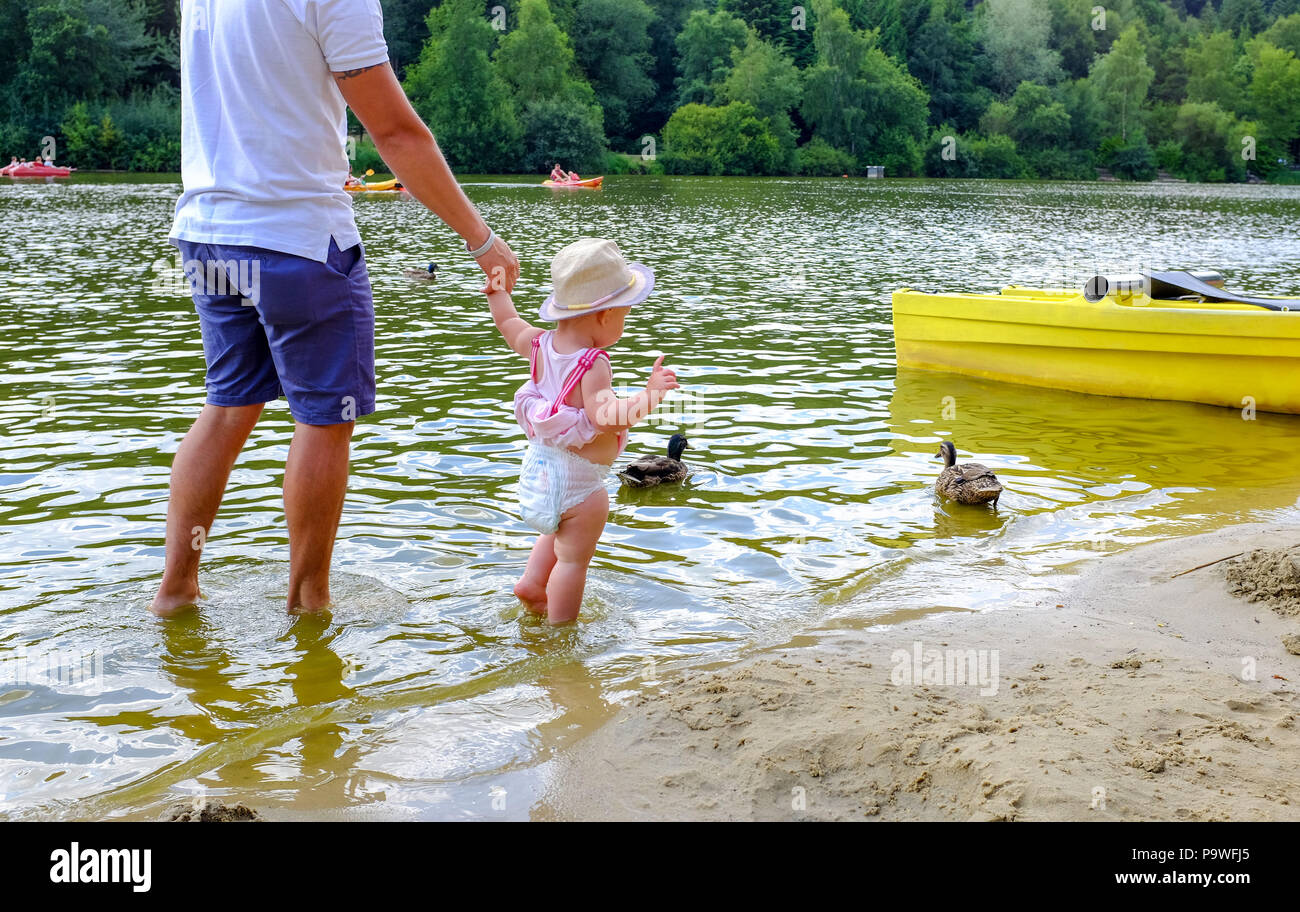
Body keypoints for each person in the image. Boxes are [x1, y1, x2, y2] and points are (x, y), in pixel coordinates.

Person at [153, 0, 518, 617]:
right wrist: (481, 238)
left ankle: (176, 591)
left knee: (226, 408)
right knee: (325, 419)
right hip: (299, 240)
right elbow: (395, 132)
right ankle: (310, 601)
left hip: (207, 230)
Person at [486, 238, 678, 624]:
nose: (624, 321)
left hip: (541, 469)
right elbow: (607, 418)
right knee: (573, 562)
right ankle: (562, 632)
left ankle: (532, 583)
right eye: (624, 313)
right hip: (582, 482)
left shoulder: (539, 344)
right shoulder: (593, 363)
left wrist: (498, 292)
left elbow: (508, 323)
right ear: (604, 316)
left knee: (557, 528)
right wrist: (651, 395)